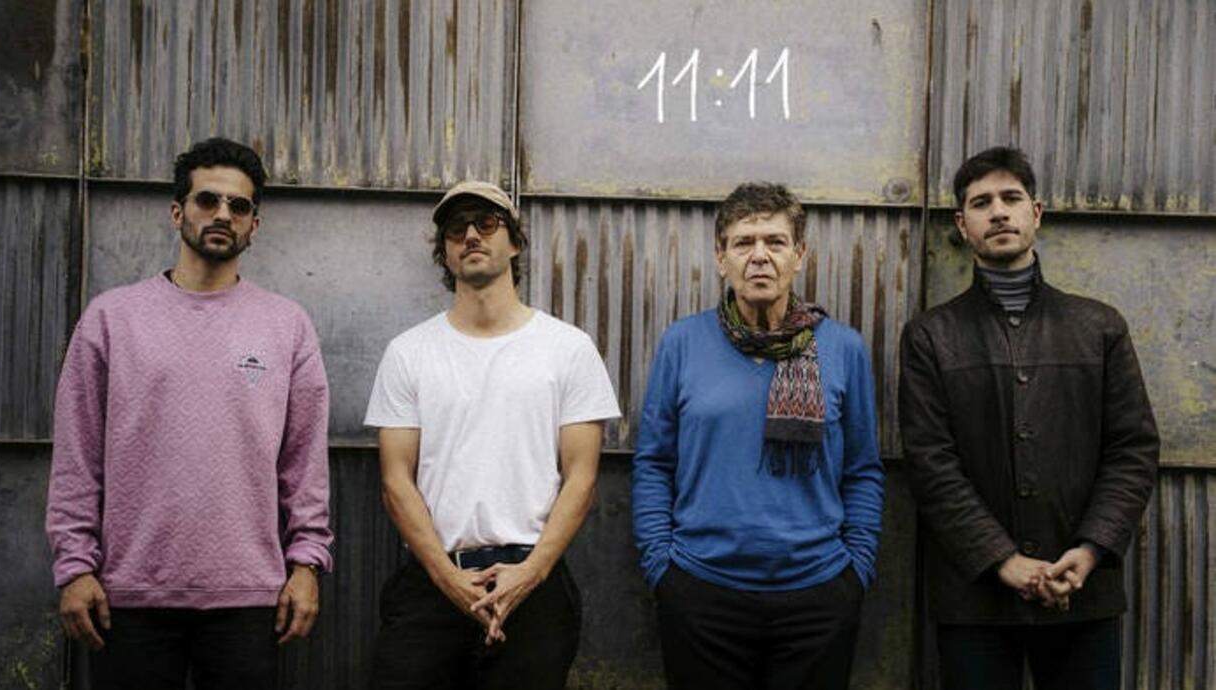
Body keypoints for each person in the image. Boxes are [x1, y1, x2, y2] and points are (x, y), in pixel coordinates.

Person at [45, 137, 334, 689]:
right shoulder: (111, 319)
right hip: (129, 594)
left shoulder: (287, 325)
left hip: (250, 596)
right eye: (207, 200)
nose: (223, 214)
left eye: (239, 205)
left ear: (254, 225)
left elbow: (304, 462)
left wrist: (306, 563)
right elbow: (77, 455)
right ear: (178, 212)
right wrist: (75, 566)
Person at [899, 146, 1159, 690]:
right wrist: (1002, 560)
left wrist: (1089, 550)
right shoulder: (930, 336)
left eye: (1011, 198)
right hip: (976, 599)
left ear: (1035, 213)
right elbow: (931, 464)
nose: (998, 212)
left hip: (1082, 592)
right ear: (962, 224)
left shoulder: (1099, 326)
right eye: (981, 203)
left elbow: (1132, 450)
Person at [364, 181, 620, 689]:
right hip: (434, 580)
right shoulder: (409, 353)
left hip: (534, 583)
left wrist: (531, 574)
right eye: (456, 229)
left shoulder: (568, 349)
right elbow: (396, 481)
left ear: (515, 242)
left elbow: (582, 477)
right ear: (444, 251)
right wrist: (449, 580)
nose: (471, 236)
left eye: (486, 223)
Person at [632, 182, 885, 690]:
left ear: (800, 255)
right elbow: (654, 462)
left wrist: (855, 571)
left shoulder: (843, 348)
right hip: (700, 590)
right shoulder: (682, 342)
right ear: (721, 257)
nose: (760, 256)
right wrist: (662, 567)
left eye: (775, 242)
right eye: (744, 243)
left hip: (818, 594)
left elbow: (862, 470)